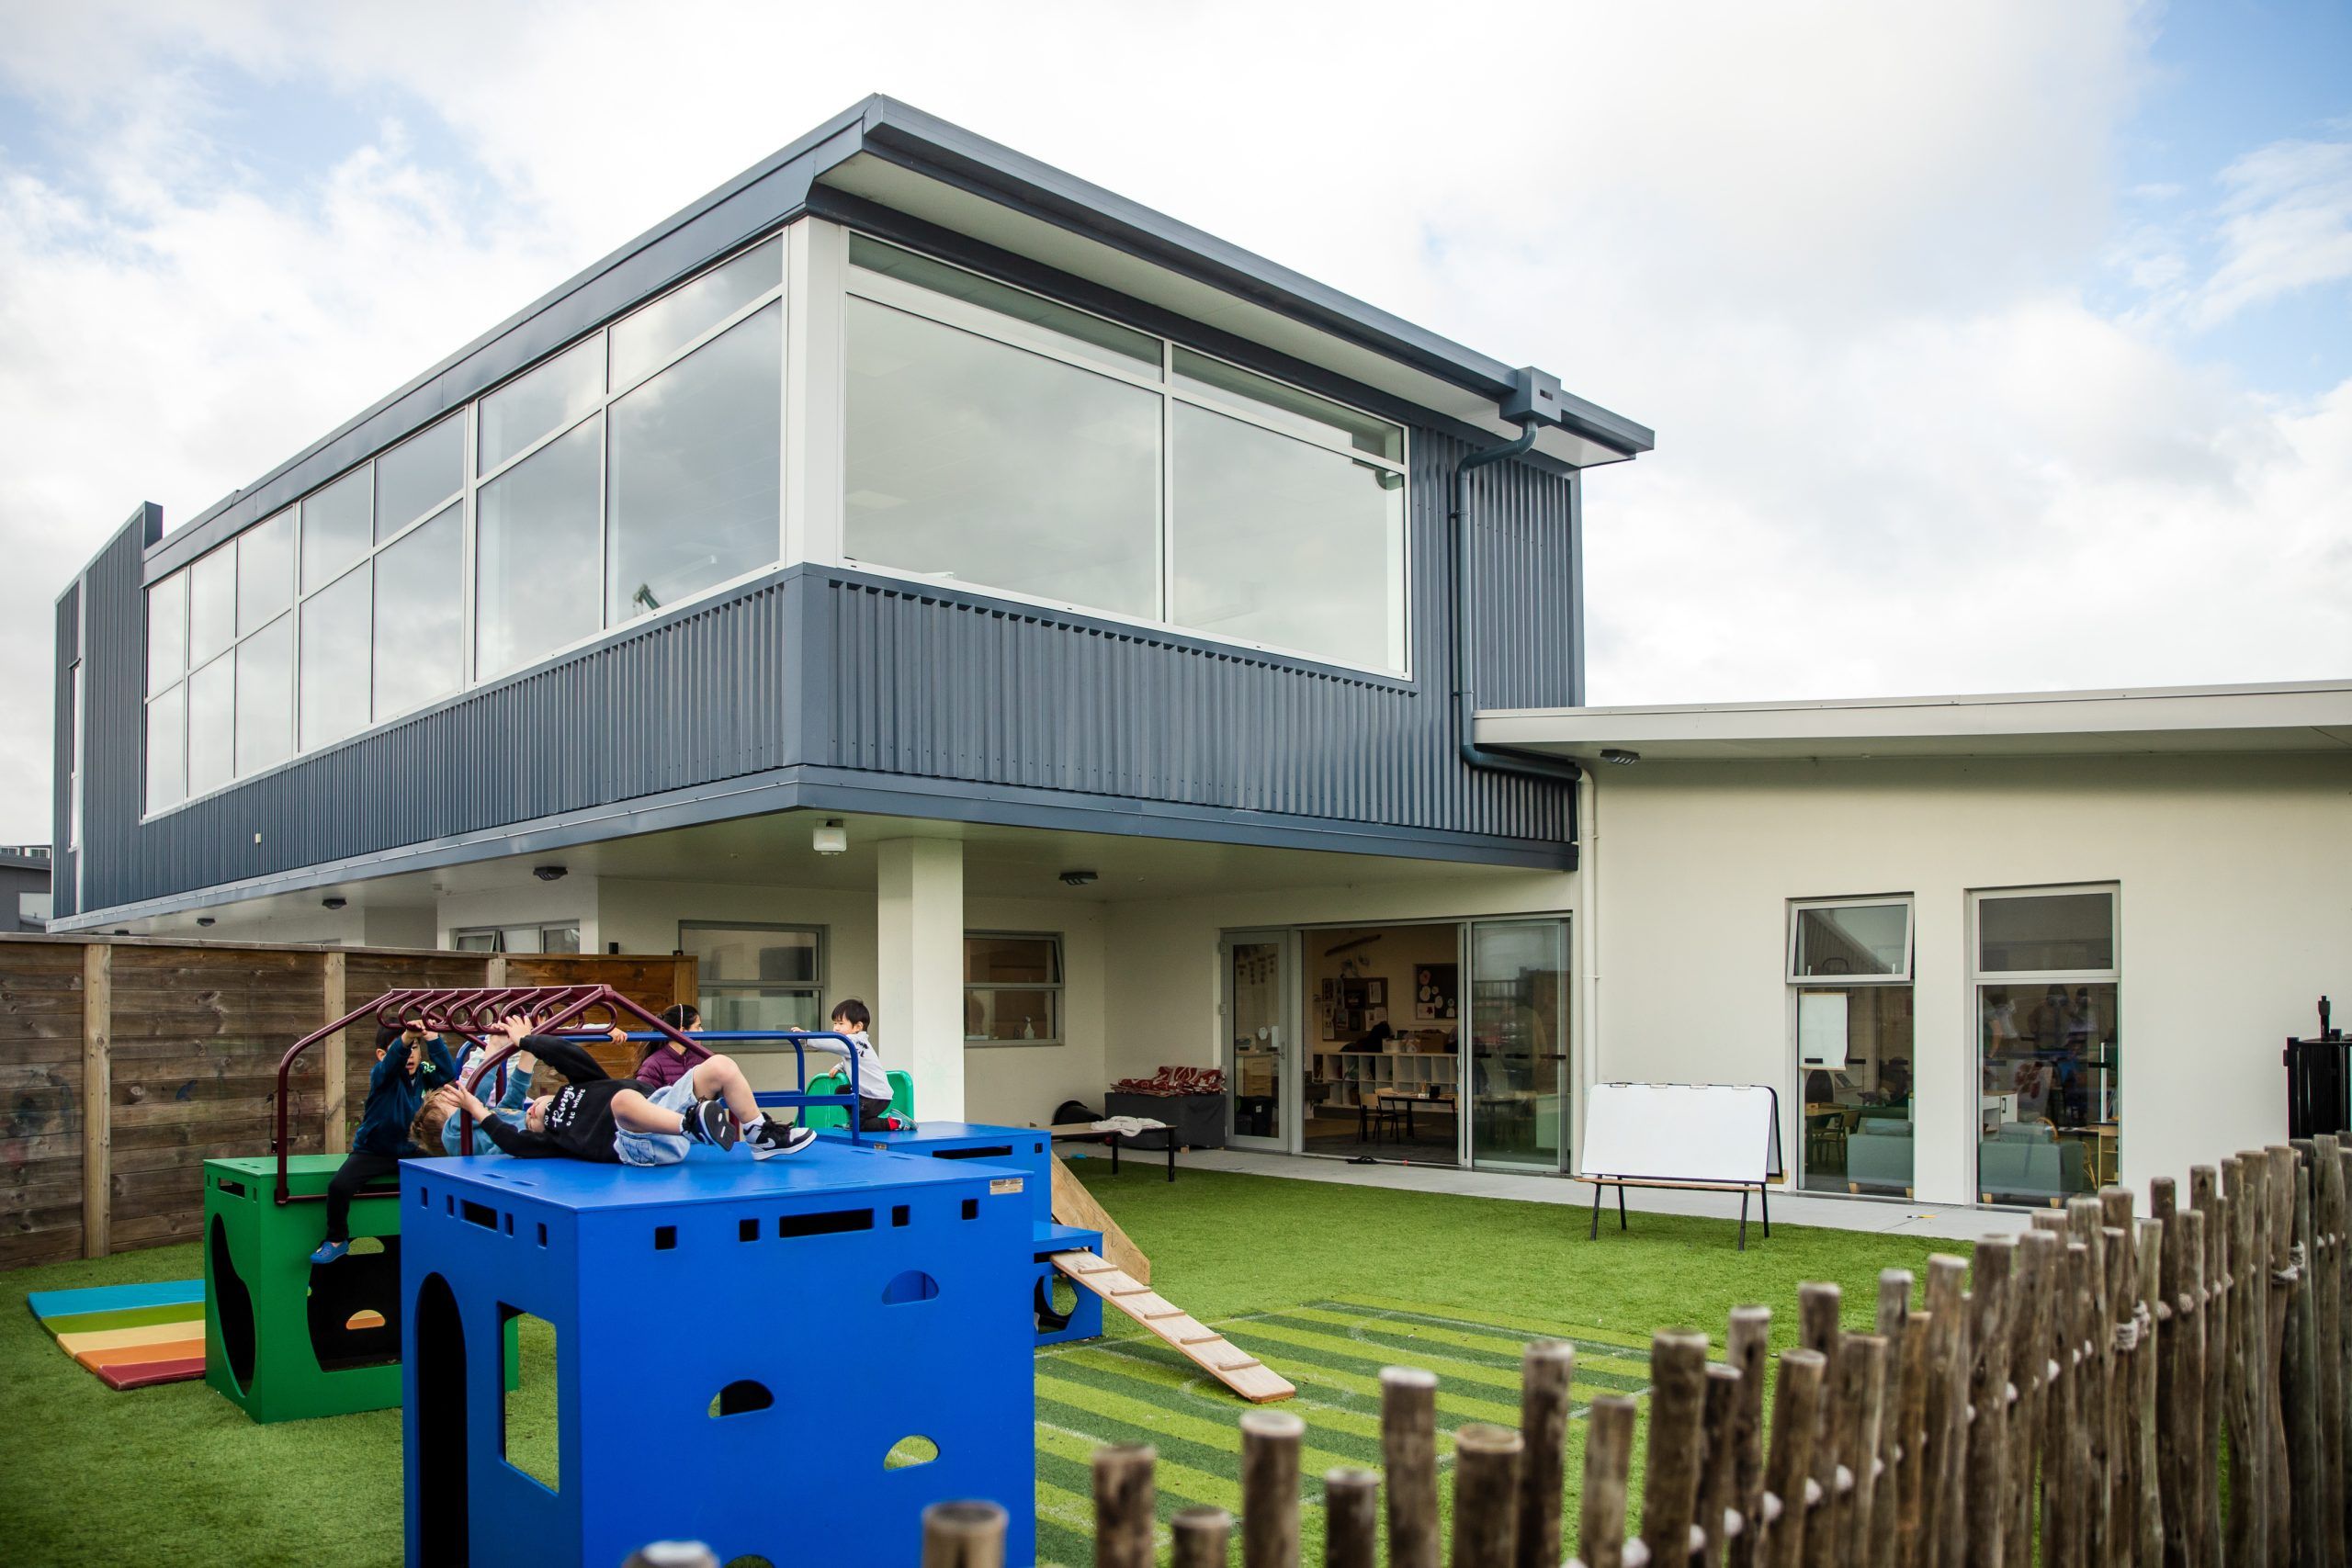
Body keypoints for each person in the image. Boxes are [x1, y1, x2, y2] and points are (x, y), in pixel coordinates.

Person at [448, 1012, 815, 1164]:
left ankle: (758, 1136)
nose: (531, 1115)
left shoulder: (582, 1086)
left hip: (658, 1106)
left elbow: (570, 1057)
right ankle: (692, 1125)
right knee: (623, 1100)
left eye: (530, 1110)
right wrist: (477, 1111)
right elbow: (511, 1141)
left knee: (720, 1065)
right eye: (531, 1123)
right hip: (636, 1144)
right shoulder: (554, 1137)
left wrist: (529, 1042)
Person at [310, 1022, 460, 1264]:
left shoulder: (425, 1073)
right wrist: (406, 1037)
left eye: (414, 1048)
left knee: (448, 1181)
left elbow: (447, 1074)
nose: (410, 1055)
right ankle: (337, 1240)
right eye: (404, 1048)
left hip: (414, 1150)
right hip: (375, 1151)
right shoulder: (383, 1075)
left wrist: (433, 1039)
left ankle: (446, 1234)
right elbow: (392, 1063)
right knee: (339, 1186)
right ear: (382, 1055)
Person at [410, 1045, 538, 1156]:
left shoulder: (490, 1120)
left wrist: (528, 1053)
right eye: (458, 1106)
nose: (463, 1100)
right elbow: (476, 1094)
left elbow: (513, 1099)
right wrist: (493, 1047)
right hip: (536, 1140)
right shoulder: (453, 1136)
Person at [828, 998, 899, 1131]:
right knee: (842, 1092)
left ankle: (895, 1123)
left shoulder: (854, 1041)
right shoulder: (858, 1044)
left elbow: (830, 1043)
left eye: (841, 1023)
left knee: (859, 1125)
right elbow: (856, 1060)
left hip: (875, 1097)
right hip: (869, 1094)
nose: (836, 1027)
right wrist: (840, 1067)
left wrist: (806, 1037)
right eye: (835, 1023)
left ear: (858, 1027)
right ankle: (855, 1120)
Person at [634, 1003, 708, 1091]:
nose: (702, 1031)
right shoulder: (653, 1064)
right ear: (683, 1030)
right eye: (698, 1026)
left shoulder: (700, 1059)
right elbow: (643, 1099)